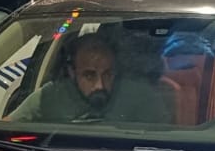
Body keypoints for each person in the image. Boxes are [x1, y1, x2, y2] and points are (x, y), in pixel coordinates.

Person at [9, 34, 172, 124]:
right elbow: (6, 127)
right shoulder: (51, 96)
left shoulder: (141, 96)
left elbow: (164, 140)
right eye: (89, 75)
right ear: (72, 72)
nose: (100, 85)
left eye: (107, 74)